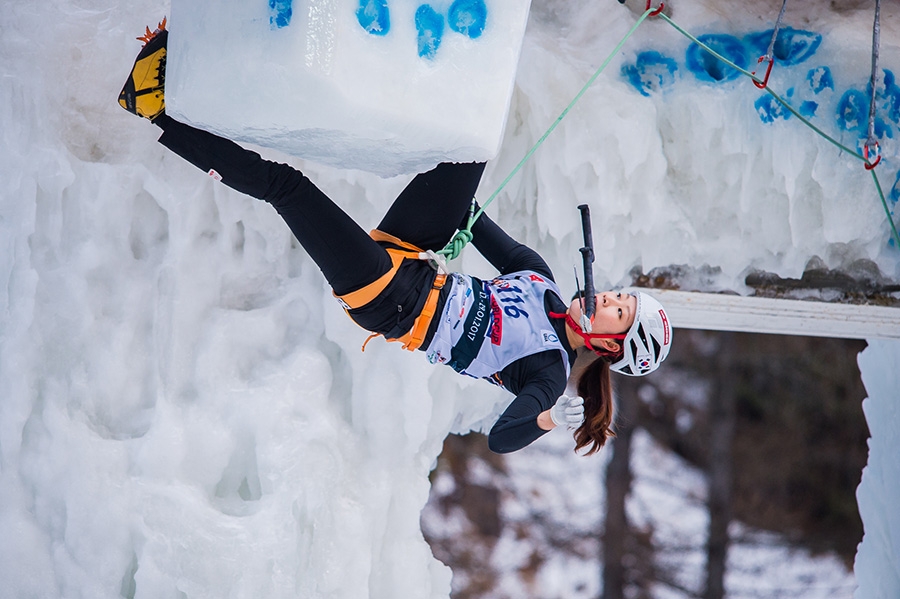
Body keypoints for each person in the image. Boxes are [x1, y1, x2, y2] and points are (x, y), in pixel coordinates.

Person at [119, 22, 672, 455]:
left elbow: (503, 438)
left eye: (618, 315)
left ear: (607, 347)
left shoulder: (547, 372)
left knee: (286, 187)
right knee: (472, 145)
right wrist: (455, 183)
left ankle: (158, 108)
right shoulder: (539, 279)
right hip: (408, 257)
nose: (608, 301)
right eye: (620, 297)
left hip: (387, 299)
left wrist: (551, 417)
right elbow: (469, 218)